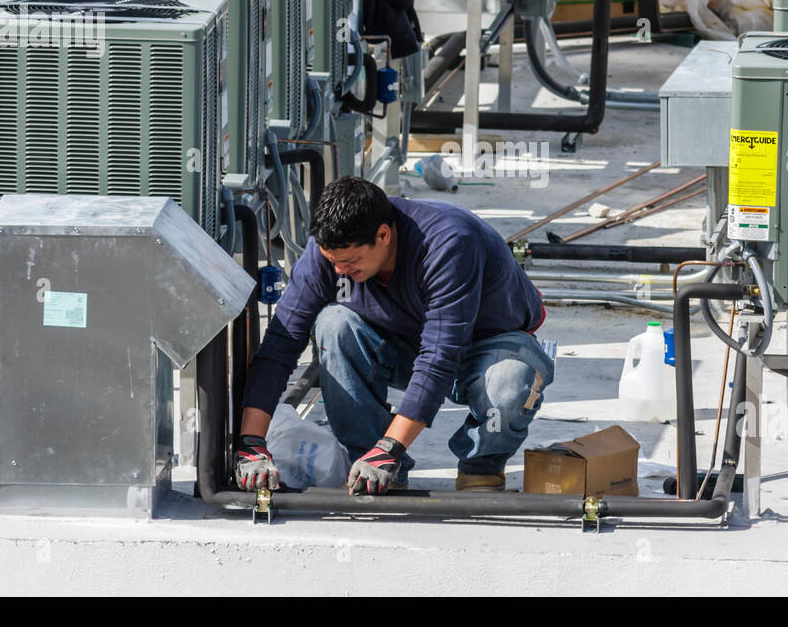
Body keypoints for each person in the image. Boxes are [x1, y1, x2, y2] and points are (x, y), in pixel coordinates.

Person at [234, 177, 555, 496]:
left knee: (511, 383)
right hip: (407, 343)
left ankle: (481, 464)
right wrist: (251, 443)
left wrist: (392, 445)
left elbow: (440, 356)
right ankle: (370, 459)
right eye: (333, 263)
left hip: (487, 348)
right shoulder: (330, 254)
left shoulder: (449, 243)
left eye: (350, 262)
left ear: (383, 235)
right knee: (333, 324)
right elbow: (281, 343)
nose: (340, 273)